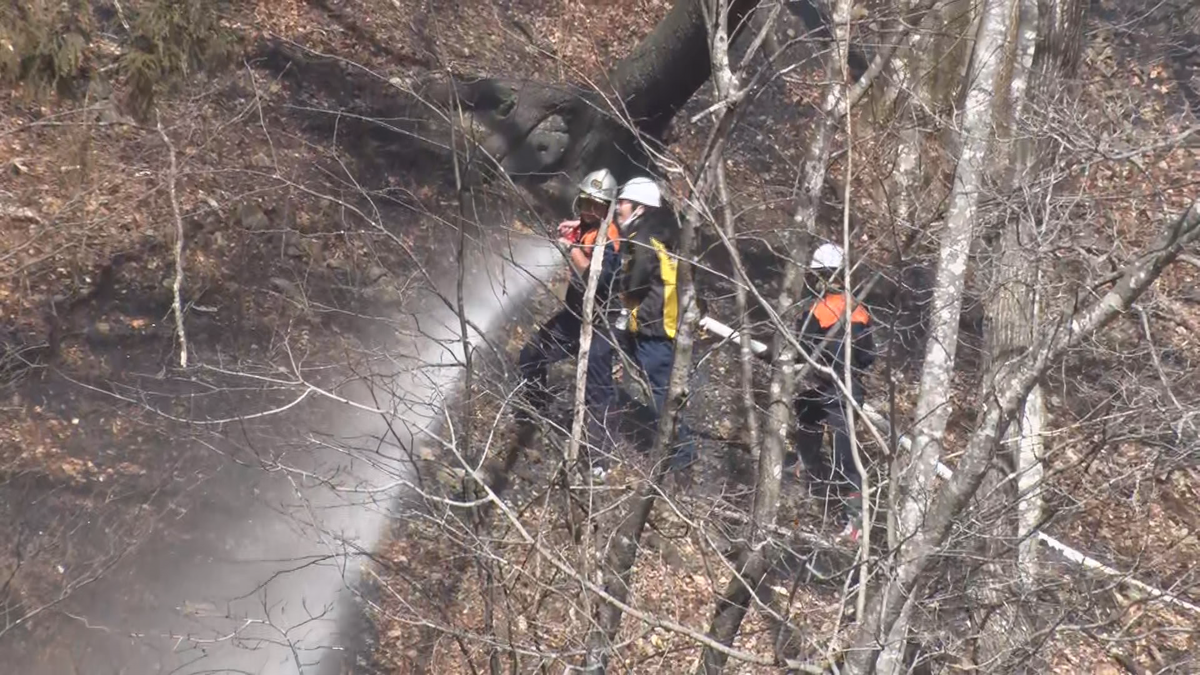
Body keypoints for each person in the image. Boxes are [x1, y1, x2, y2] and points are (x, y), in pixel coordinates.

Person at [517, 169, 623, 479]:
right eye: (586, 203)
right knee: (531, 354)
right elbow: (586, 237)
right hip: (574, 316)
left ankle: (600, 459)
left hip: (602, 322)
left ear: (609, 208)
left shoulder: (612, 239)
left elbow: (598, 278)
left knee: (598, 390)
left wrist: (570, 248)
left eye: (597, 205)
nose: (589, 210)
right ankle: (536, 412)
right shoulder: (588, 228)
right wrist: (577, 231)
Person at [788, 242, 876, 540]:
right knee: (806, 409)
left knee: (844, 458)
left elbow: (801, 345)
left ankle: (855, 523)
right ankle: (808, 465)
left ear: (824, 276)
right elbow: (868, 356)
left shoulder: (820, 309)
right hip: (848, 387)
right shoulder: (859, 308)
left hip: (835, 388)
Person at [614, 176, 697, 476]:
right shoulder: (661, 236)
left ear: (639, 208)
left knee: (664, 398)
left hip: (653, 331)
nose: (618, 207)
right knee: (656, 391)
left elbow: (633, 285)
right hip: (656, 326)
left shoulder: (642, 241)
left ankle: (683, 460)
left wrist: (617, 289)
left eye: (623, 202)